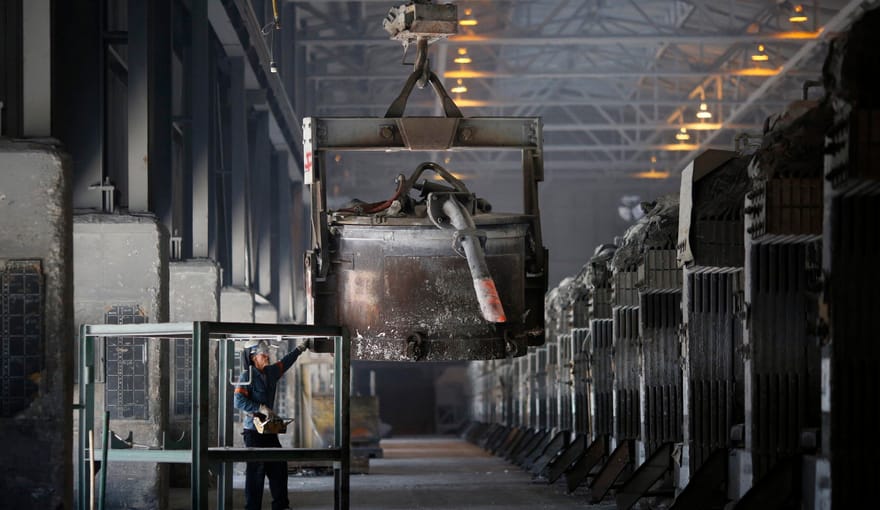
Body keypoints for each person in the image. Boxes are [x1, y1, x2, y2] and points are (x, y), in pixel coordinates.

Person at [234, 338, 310, 510]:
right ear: (253, 357)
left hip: (269, 430)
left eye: (267, 354)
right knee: (256, 472)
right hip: (253, 432)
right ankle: (252, 507)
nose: (267, 357)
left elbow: (285, 362)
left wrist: (300, 348)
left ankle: (281, 505)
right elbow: (238, 401)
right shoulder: (246, 376)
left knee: (278, 466)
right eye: (263, 354)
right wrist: (259, 407)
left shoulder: (271, 373)